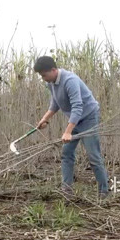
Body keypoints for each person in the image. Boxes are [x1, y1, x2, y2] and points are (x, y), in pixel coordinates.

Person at [33, 56, 109, 199]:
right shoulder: (51, 83)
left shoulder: (70, 81)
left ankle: (104, 192)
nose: (43, 78)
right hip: (74, 120)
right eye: (41, 76)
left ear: (54, 70)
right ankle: (66, 191)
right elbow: (55, 104)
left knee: (93, 156)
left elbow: (77, 106)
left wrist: (68, 132)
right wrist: (44, 119)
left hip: (88, 118)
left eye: (44, 75)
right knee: (66, 154)